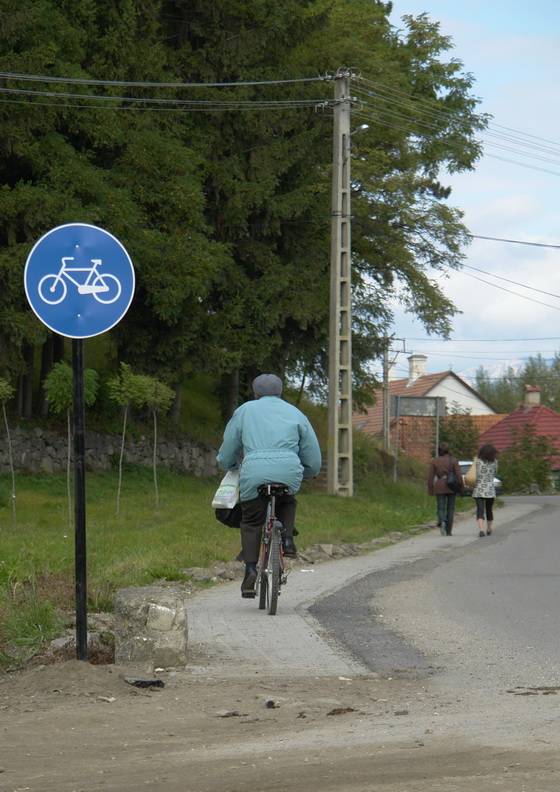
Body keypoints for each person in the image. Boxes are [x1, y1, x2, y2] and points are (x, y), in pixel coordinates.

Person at [217, 373, 322, 598]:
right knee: (287, 498)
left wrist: (229, 464)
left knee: (251, 521)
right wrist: (309, 472)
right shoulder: (296, 413)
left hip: (253, 470)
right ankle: (288, 539)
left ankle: (250, 571)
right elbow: (312, 452)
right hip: (289, 470)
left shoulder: (245, 411)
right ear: (280, 392)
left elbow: (229, 446)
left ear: (255, 393)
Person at [427, 442, 464, 536]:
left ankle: (442, 520)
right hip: (452, 486)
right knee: (451, 509)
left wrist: (430, 489)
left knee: (441, 507)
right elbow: (459, 476)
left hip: (439, 485)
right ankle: (449, 531)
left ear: (439, 450)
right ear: (448, 450)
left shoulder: (435, 461)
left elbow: (430, 477)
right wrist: (461, 488)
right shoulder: (454, 460)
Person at [472, 443, 498, 538]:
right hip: (490, 490)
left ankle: (481, 529)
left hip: (478, 489)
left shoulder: (478, 461)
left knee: (480, 510)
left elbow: (474, 473)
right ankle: (489, 529)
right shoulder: (495, 462)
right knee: (489, 510)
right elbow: (495, 473)